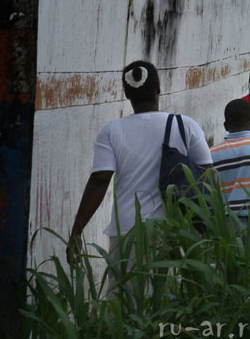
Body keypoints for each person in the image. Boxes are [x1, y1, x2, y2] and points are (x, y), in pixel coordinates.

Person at [69, 61, 213, 262]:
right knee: (166, 291)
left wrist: (76, 231)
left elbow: (100, 180)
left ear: (127, 94)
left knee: (124, 292)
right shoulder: (185, 125)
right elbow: (207, 175)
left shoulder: (111, 131)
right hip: (174, 228)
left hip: (127, 229)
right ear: (159, 89)